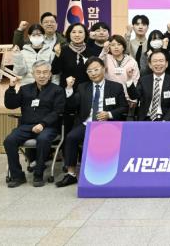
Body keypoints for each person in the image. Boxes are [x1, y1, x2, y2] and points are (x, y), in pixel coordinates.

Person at [55, 57, 128, 187]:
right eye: (89, 71)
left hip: (108, 124)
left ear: (104, 69)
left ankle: (109, 171)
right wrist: (69, 88)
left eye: (96, 69)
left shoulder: (115, 87)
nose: (93, 73)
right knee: (71, 137)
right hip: (87, 124)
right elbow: (71, 106)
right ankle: (71, 174)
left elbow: (124, 107)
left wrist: (109, 114)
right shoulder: (83, 87)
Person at [4, 60, 65, 188]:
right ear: (33, 74)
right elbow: (10, 105)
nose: (42, 76)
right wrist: (11, 88)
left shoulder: (57, 90)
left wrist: (43, 124)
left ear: (50, 74)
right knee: (9, 141)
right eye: (38, 72)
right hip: (26, 126)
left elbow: (57, 111)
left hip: (48, 127)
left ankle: (38, 174)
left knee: (43, 139)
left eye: (45, 72)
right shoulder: (25, 89)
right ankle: (17, 176)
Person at [127, 50, 170, 121]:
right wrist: (129, 79)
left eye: (161, 61)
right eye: (155, 61)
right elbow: (134, 96)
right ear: (150, 65)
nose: (158, 64)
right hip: (146, 119)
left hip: (165, 119)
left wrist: (165, 121)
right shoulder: (143, 80)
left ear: (166, 64)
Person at [98, 35, 140, 107]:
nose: (116, 47)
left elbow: (135, 80)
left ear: (123, 47)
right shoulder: (106, 58)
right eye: (113, 45)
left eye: (119, 44)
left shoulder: (132, 61)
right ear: (109, 47)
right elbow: (98, 65)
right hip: (109, 97)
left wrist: (132, 99)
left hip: (127, 98)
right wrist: (104, 50)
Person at [51, 23, 97, 88]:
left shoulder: (91, 51)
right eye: (74, 32)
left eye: (80, 32)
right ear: (69, 34)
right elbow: (54, 71)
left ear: (85, 34)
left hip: (87, 89)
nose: (77, 35)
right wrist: (57, 55)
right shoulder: (62, 50)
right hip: (67, 89)